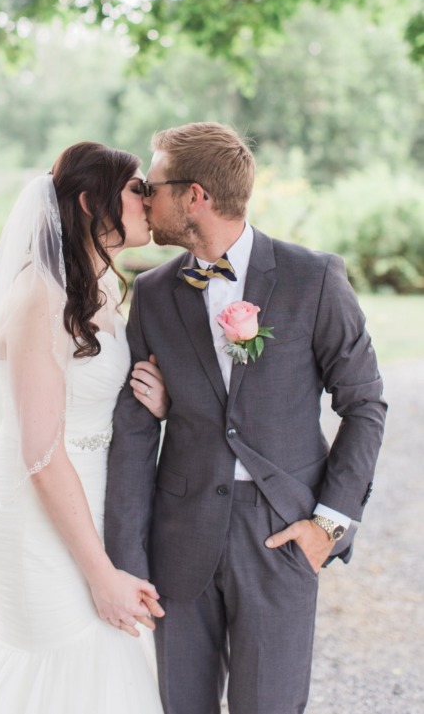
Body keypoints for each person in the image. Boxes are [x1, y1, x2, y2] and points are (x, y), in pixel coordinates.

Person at [105, 122, 387, 714]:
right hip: (179, 540)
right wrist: (126, 562)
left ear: (195, 196)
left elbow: (363, 404)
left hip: (281, 536)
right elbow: (134, 431)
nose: (143, 199)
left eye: (151, 186)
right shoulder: (153, 291)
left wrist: (327, 527)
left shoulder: (314, 278)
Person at [0, 142, 168, 714]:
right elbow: (41, 455)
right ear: (94, 203)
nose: (149, 200)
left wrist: (156, 403)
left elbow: (96, 401)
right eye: (137, 188)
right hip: (37, 513)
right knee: (55, 660)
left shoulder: (101, 291)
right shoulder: (39, 298)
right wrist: (101, 574)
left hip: (91, 501)